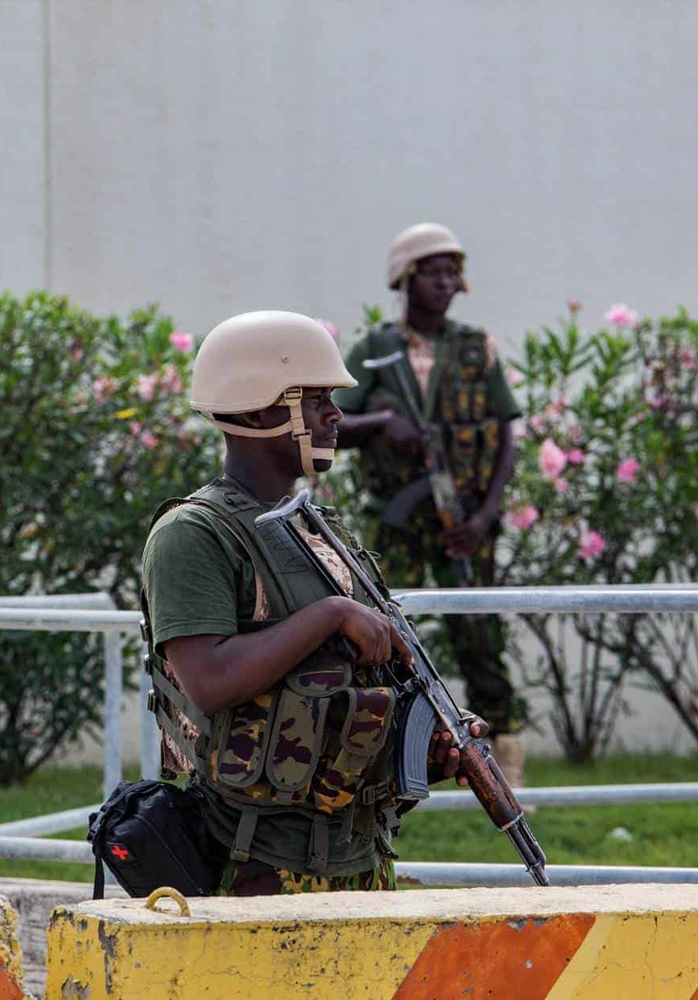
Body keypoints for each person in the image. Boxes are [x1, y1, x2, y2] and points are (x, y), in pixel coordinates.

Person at [140, 309, 488, 895]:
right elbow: (210, 679)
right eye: (315, 398)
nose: (335, 415)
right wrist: (333, 614)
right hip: (256, 868)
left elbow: (356, 680)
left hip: (359, 857)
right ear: (254, 408)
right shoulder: (193, 534)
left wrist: (426, 742)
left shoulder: (321, 530)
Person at [333, 223, 529, 786]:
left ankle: (504, 772)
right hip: (397, 523)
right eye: (433, 272)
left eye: (452, 272)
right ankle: (379, 761)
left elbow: (505, 435)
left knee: (481, 641)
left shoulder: (474, 346)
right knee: (382, 640)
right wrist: (381, 426)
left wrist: (485, 516)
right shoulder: (375, 350)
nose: (446, 282)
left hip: (464, 524)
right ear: (406, 278)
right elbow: (336, 423)